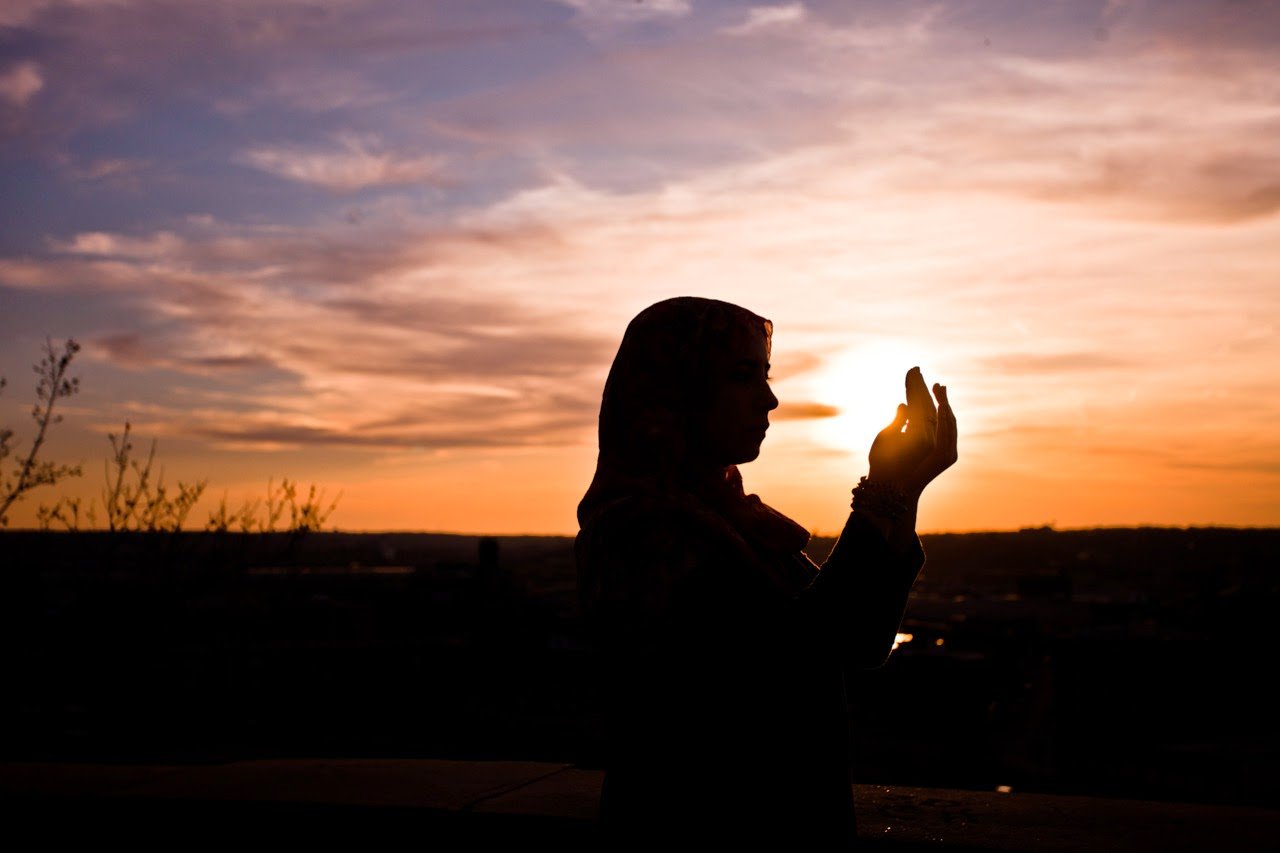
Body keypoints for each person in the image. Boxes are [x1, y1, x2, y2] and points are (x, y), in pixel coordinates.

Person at [575, 297, 957, 847]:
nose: (770, 397)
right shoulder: (640, 532)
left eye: (765, 374)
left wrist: (905, 489)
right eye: (741, 375)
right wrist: (881, 492)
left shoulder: (732, 520)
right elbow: (790, 659)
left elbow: (861, 641)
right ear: (678, 390)